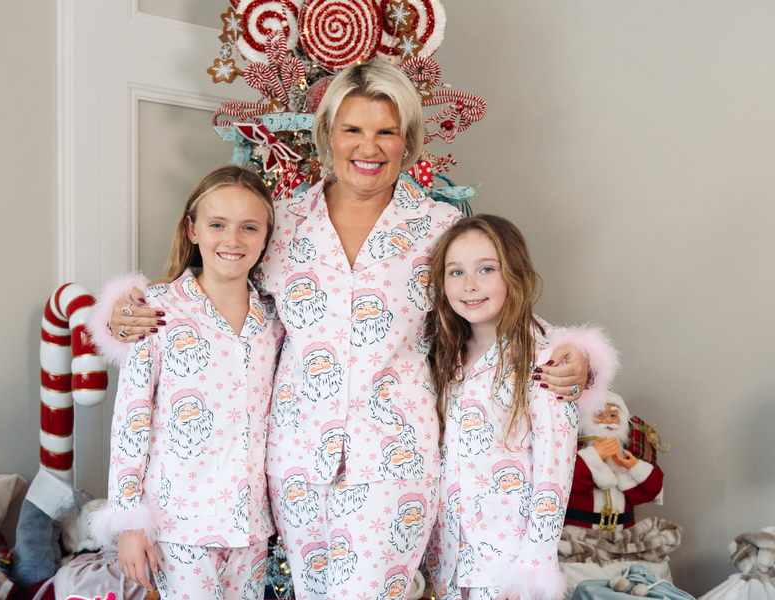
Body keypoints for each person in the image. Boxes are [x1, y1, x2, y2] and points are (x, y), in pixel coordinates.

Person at [92, 61, 613, 600]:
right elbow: (218, 288)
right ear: (328, 136)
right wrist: (122, 314)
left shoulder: (438, 227)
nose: (370, 147)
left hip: (394, 459)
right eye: (353, 130)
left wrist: (577, 357)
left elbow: (494, 303)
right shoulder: (282, 222)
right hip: (294, 461)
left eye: (386, 131)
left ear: (407, 141)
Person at [89, 166, 284, 600]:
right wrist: (129, 522)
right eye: (217, 225)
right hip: (179, 523)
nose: (232, 240)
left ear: (266, 236)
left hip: (251, 524)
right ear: (192, 229)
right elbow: (131, 422)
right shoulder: (155, 311)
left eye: (249, 227)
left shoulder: (275, 318)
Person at [426, 215, 616, 600]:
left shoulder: (547, 359)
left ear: (515, 272)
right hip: (449, 565)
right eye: (456, 272)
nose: (470, 285)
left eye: (486, 269)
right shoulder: (446, 358)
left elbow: (554, 471)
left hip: (508, 572)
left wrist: (534, 566)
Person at [564, 391, 663, 531]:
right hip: (578, 538)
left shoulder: (631, 450)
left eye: (613, 415)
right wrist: (592, 457)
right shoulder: (571, 448)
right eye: (599, 415)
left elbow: (651, 492)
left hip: (622, 536)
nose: (607, 420)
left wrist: (635, 466)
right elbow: (561, 485)